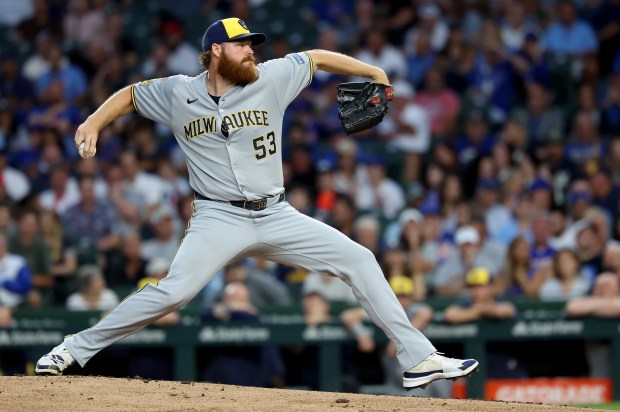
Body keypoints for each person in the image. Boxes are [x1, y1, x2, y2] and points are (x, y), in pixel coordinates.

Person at [35, 17, 478, 389]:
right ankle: (73, 349)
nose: (251, 51)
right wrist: (93, 121)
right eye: (241, 45)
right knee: (174, 292)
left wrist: (374, 72)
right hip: (217, 216)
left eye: (252, 44)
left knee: (359, 258)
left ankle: (418, 358)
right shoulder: (178, 92)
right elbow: (130, 94)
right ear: (214, 52)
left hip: (276, 213)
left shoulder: (272, 77)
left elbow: (318, 58)